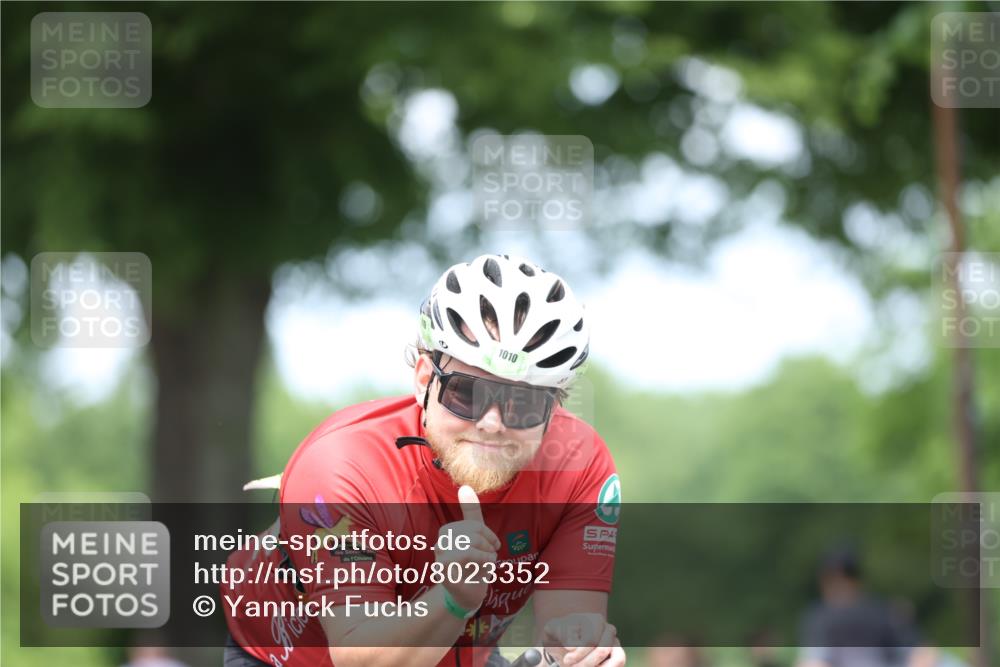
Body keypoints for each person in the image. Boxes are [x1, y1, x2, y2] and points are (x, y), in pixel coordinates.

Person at [221, 254, 626, 667]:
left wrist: (575, 652)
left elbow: (566, 629)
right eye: (466, 392)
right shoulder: (343, 466)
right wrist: (453, 598)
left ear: (553, 409)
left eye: (522, 403)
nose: (491, 423)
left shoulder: (580, 465)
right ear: (423, 381)